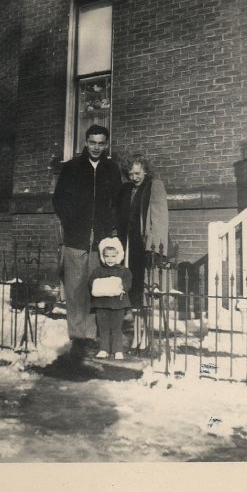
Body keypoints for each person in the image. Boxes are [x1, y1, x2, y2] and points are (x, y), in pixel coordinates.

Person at [52, 125, 122, 355]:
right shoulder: (72, 167)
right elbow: (59, 199)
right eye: (93, 142)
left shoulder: (111, 169)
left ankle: (91, 335)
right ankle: (76, 335)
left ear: (106, 144)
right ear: (86, 142)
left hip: (100, 239)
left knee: (95, 288)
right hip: (76, 237)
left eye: (101, 143)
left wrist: (109, 226)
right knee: (74, 288)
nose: (96, 147)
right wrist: (71, 222)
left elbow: (118, 201)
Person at [116, 154, 169, 351]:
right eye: (130, 174)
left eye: (138, 173)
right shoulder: (127, 190)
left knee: (144, 290)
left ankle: (145, 336)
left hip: (144, 245)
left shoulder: (154, 186)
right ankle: (135, 335)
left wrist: (154, 248)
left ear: (146, 171)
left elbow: (160, 218)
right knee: (131, 289)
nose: (134, 177)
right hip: (127, 245)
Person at [88, 237, 132, 360]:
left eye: (113, 256)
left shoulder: (123, 271)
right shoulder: (98, 270)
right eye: (107, 256)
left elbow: (128, 282)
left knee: (117, 327)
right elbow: (91, 281)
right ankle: (103, 349)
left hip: (118, 303)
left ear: (118, 255)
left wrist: (122, 287)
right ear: (103, 256)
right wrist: (99, 284)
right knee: (103, 327)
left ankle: (117, 350)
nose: (110, 259)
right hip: (102, 303)